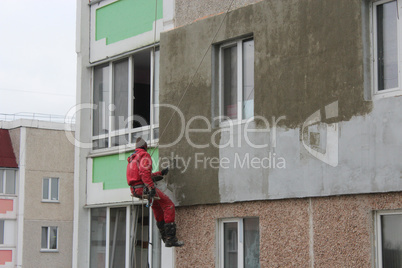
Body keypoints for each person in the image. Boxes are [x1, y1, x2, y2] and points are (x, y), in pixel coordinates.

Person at [126, 137, 184, 247]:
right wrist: (151, 188)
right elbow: (144, 174)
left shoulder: (132, 158)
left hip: (136, 190)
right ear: (145, 147)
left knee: (157, 206)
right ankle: (171, 238)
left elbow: (142, 175)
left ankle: (164, 237)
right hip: (144, 188)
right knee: (168, 205)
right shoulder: (144, 155)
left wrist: (160, 173)